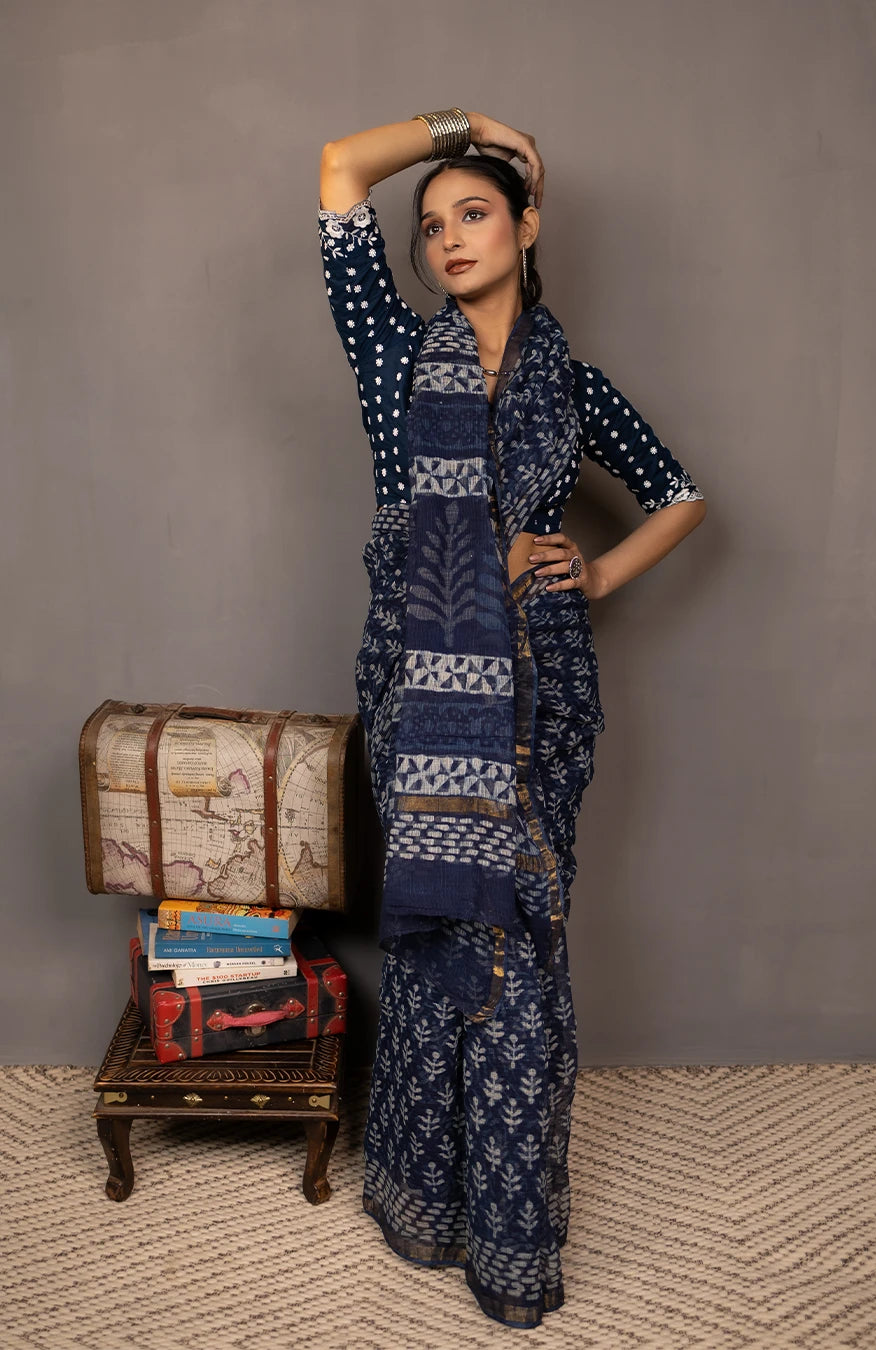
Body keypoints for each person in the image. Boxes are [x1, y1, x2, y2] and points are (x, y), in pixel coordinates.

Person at [318, 109, 706, 1329]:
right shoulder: (391, 358)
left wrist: (591, 572)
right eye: (430, 228)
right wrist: (468, 126)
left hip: (539, 694)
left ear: (529, 224)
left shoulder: (570, 384)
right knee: (437, 937)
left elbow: (681, 497)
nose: (446, 241)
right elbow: (337, 177)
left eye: (474, 209)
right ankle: (422, 1201)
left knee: (523, 953)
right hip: (419, 691)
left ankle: (510, 1242)